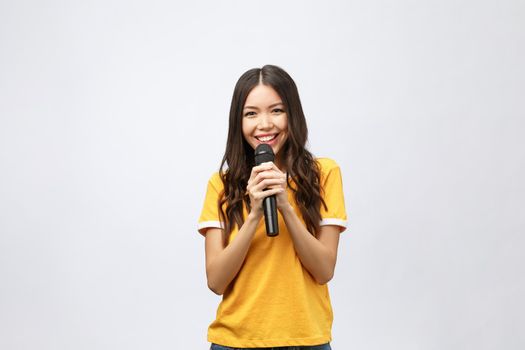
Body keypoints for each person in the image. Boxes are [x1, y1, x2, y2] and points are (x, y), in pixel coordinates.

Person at [197, 65, 347, 350]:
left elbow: (324, 269)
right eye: (251, 113)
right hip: (236, 343)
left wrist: (285, 208)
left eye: (276, 110)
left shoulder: (324, 174)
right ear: (238, 122)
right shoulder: (222, 185)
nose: (264, 124)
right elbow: (216, 281)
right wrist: (254, 214)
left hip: (307, 341)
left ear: (293, 114)